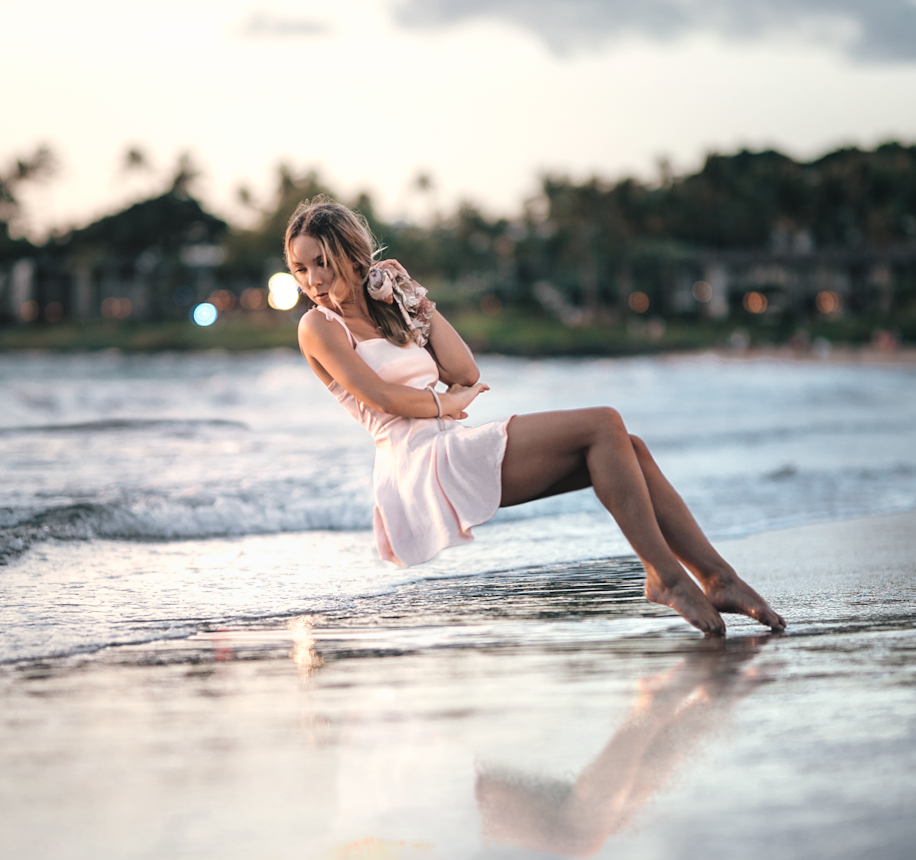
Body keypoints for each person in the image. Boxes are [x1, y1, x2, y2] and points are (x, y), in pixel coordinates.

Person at [287, 197, 785, 637]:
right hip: (416, 461)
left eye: (321, 263)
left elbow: (463, 368)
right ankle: (666, 577)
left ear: (351, 255)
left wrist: (411, 295)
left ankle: (717, 578)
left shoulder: (386, 309)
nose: (313, 280)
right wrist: (449, 404)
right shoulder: (318, 326)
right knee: (603, 422)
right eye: (300, 269)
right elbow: (382, 397)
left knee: (627, 447)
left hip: (448, 443)